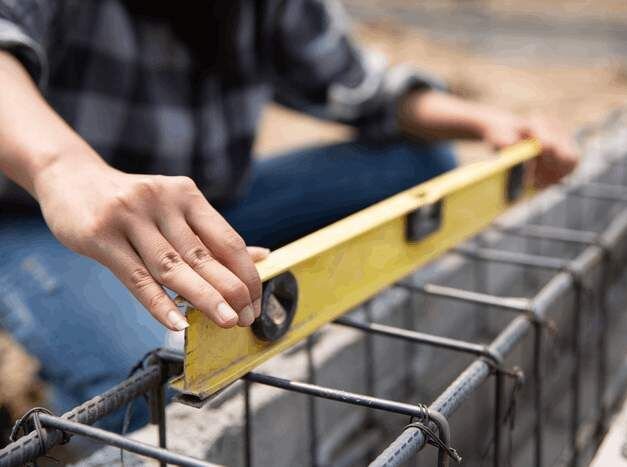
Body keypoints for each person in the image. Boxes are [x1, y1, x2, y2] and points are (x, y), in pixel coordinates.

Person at [0, 1, 577, 431]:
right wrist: (61, 167)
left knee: (419, 162)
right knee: (158, 383)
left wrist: (491, 122)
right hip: (35, 218)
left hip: (209, 205)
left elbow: (364, 87)